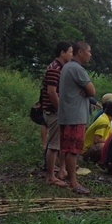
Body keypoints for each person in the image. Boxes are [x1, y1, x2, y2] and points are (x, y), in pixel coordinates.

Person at [57, 41, 95, 193]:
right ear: (81, 52)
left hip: (66, 114)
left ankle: (65, 173)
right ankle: (73, 182)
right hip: (75, 116)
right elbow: (92, 90)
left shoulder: (66, 67)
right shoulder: (77, 69)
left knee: (66, 147)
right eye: (89, 51)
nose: (90, 55)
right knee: (72, 149)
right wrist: (87, 91)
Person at [40, 41, 72, 187]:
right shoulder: (55, 69)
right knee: (53, 145)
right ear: (62, 53)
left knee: (60, 143)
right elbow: (51, 92)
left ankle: (60, 171)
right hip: (54, 112)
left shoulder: (61, 68)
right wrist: (61, 110)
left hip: (56, 111)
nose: (71, 55)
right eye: (70, 52)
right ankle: (50, 176)